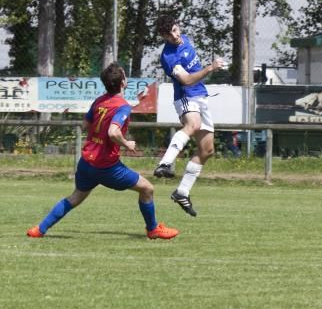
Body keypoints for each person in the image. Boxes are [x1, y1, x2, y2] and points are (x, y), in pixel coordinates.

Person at [27, 63, 178, 240]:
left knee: (75, 198)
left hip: (87, 162)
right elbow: (113, 132)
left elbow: (86, 125)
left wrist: (135, 102)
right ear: (123, 82)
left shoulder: (99, 101)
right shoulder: (122, 106)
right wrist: (127, 143)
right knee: (147, 189)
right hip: (107, 167)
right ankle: (153, 229)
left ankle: (39, 229)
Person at [154, 14, 225, 217]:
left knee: (207, 150)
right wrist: (210, 67)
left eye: (176, 30)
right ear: (163, 36)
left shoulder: (185, 38)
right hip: (186, 97)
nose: (175, 36)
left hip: (201, 96)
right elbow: (186, 80)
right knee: (192, 124)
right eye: (170, 34)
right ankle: (165, 163)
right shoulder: (168, 57)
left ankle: (182, 192)